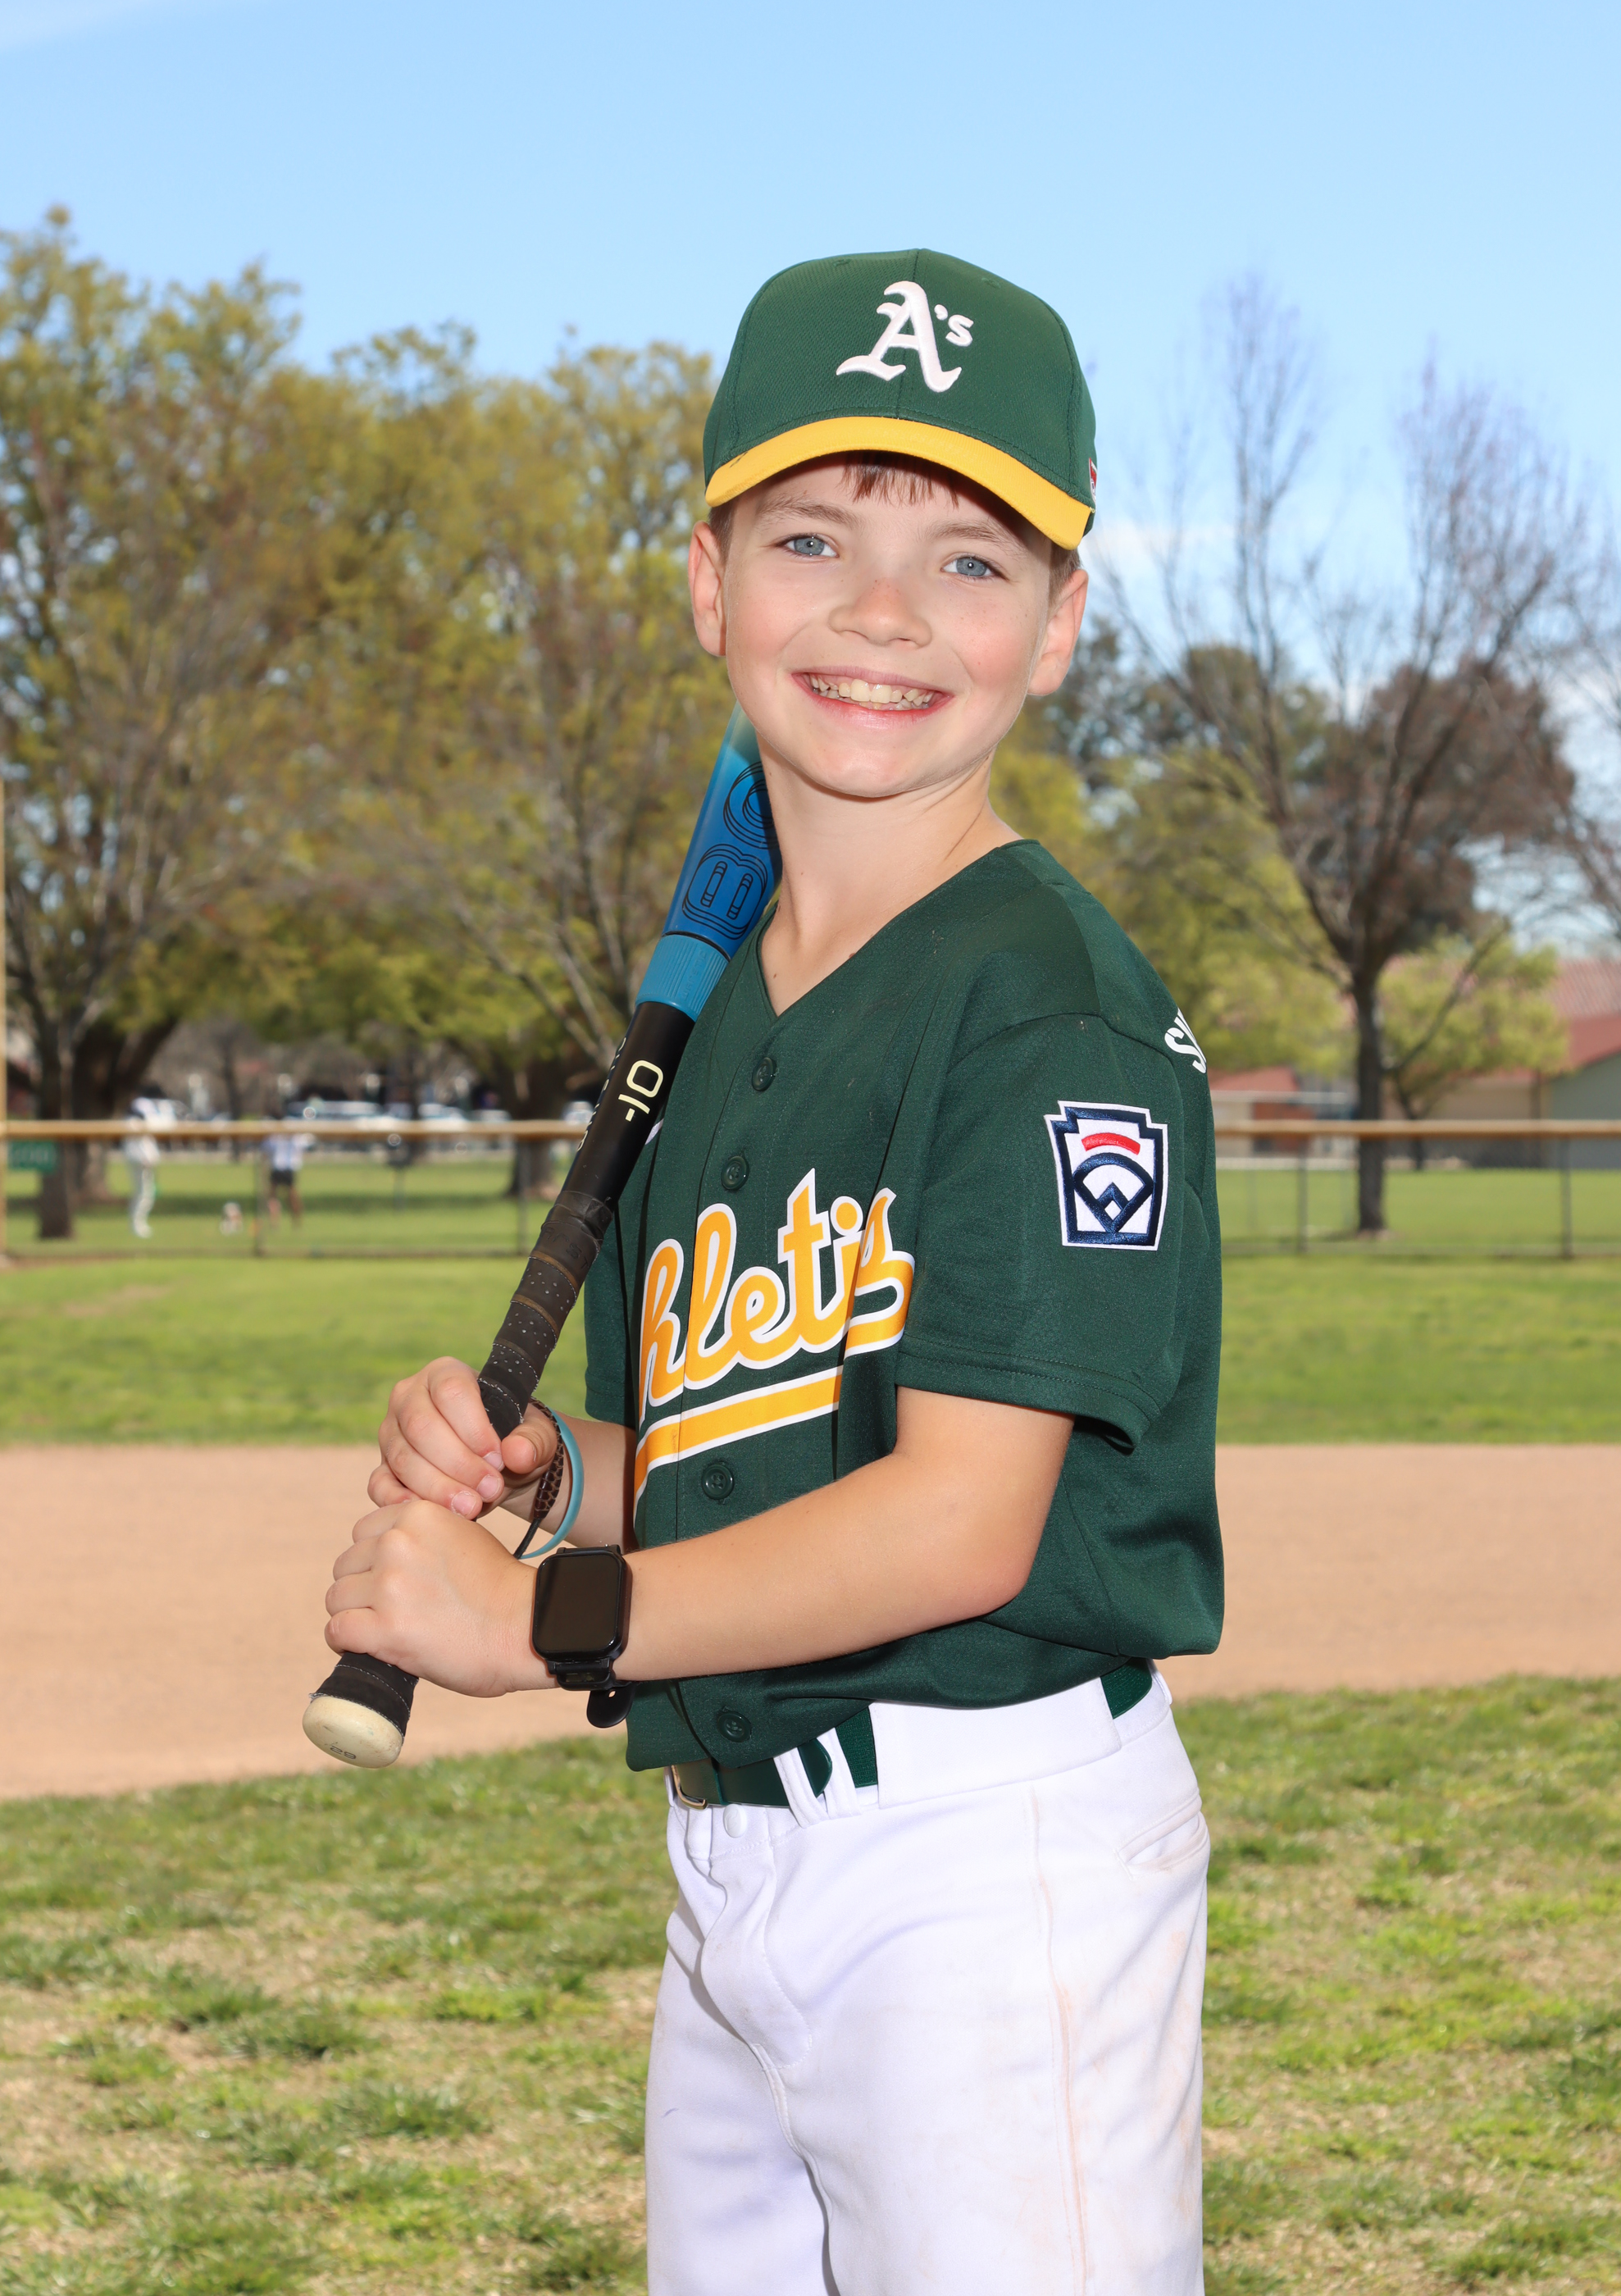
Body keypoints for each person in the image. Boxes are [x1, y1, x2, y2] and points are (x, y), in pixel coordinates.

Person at [322, 251, 1223, 2295]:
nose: (883, 612)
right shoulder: (716, 1017)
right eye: (813, 538)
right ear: (707, 579)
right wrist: (562, 1475)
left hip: (982, 1858)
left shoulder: (1043, 1009)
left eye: (968, 560)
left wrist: (538, 1616)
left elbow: (956, 1522)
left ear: (1060, 624)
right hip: (736, 1849)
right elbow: (755, 1458)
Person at [264, 1128, 314, 1225]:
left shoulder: (276, 1137)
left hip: (281, 1168)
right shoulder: (293, 1137)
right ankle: (292, 1220)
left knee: (280, 1196)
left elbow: (266, 1151)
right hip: (284, 1169)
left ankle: (282, 1221)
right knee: (283, 1196)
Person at [121, 1123, 162, 1238]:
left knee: (144, 1194)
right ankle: (137, 1224)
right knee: (144, 1195)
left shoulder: (143, 1125)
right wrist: (145, 1159)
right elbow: (136, 1149)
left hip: (145, 1164)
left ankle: (138, 1223)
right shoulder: (135, 1123)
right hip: (141, 1164)